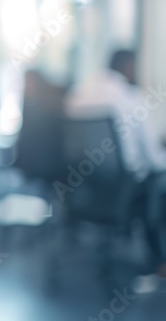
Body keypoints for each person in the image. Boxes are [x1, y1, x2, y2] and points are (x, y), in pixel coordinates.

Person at [66, 49, 166, 276]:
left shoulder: (78, 95)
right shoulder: (131, 98)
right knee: (161, 182)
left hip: (84, 189)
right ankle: (160, 261)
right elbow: (153, 158)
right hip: (124, 190)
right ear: (129, 67)